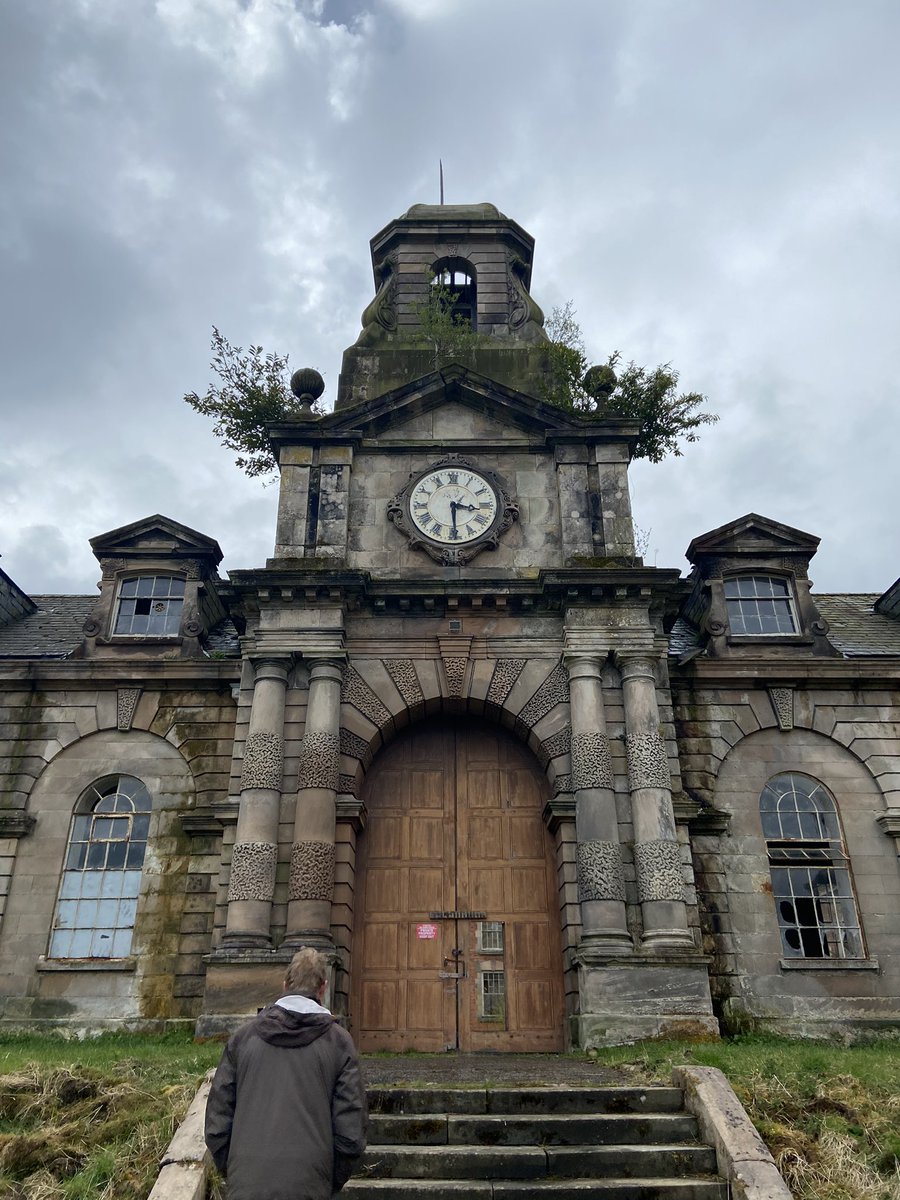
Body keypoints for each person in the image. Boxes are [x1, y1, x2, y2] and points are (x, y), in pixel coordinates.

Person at [205, 947, 367, 1200]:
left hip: (246, 1185)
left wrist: (236, 1172)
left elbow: (217, 1122)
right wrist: (326, 1181)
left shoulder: (242, 1038)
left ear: (284, 985)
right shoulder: (340, 1043)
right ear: (323, 988)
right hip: (310, 1186)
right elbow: (350, 1131)